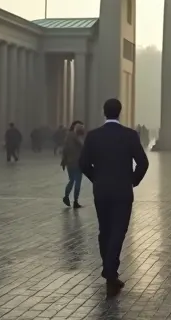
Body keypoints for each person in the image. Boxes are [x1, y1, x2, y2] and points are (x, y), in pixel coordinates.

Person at [78, 99, 149, 296]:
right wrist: (132, 181)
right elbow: (143, 163)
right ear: (120, 112)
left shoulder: (93, 136)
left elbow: (83, 163)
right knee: (119, 231)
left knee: (105, 230)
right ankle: (110, 272)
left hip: (101, 191)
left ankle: (110, 271)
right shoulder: (130, 135)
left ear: (104, 112)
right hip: (122, 192)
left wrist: (96, 179)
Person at [60, 121, 86, 208]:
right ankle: (75, 201)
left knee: (71, 181)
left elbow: (65, 150)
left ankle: (66, 196)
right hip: (77, 163)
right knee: (77, 182)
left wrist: (64, 161)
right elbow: (83, 147)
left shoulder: (68, 136)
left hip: (70, 163)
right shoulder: (75, 137)